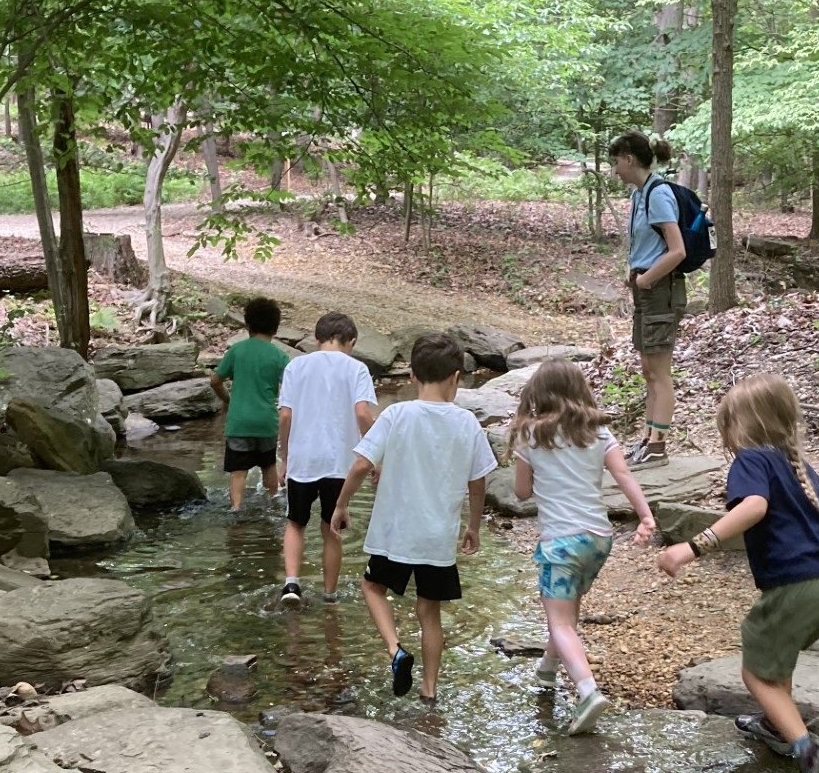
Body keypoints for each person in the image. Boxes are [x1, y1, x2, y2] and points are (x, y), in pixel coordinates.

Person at [656, 372, 819, 773]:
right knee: (775, 652)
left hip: (799, 584)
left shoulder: (751, 460)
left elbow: (753, 508)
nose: (727, 439)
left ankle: (808, 753)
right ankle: (775, 724)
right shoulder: (801, 469)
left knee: (755, 672)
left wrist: (692, 547)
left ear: (742, 427)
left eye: (727, 427)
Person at [330, 332, 496, 705]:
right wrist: (473, 526)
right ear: (456, 377)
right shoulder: (467, 422)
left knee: (372, 587)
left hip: (395, 533)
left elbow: (361, 464)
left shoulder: (396, 414)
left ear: (412, 377)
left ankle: (395, 650)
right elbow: (477, 481)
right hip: (437, 537)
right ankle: (430, 690)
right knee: (429, 611)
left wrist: (341, 505)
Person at [510, 360, 657, 735]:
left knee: (558, 621)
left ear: (538, 394)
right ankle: (546, 671)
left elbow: (522, 492)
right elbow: (623, 474)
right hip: (598, 540)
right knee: (568, 612)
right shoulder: (599, 432)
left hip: (560, 543)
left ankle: (588, 691)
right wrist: (646, 517)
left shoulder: (531, 435)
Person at [277, 311, 377, 607]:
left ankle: (292, 584)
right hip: (339, 462)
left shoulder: (296, 366)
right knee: (332, 528)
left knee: (295, 523)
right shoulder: (357, 368)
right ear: (352, 341)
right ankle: (330, 595)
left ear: (317, 339)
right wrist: (374, 455)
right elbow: (362, 413)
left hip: (303, 459)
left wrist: (285, 456)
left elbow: (285, 416)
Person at [610, 131, 687, 465]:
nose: (614, 170)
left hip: (659, 291)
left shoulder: (658, 194)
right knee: (648, 369)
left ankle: (658, 444)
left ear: (629, 159)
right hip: (645, 289)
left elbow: (677, 250)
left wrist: (645, 280)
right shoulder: (638, 195)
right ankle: (647, 437)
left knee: (660, 371)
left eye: (616, 162)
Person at [209, 297, 290, 511]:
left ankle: (236, 508)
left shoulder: (237, 351)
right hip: (267, 422)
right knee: (268, 465)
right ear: (275, 327)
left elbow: (215, 381)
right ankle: (274, 501)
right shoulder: (280, 356)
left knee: (238, 471)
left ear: (247, 324)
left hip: (239, 423)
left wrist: (228, 399)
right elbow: (292, 387)